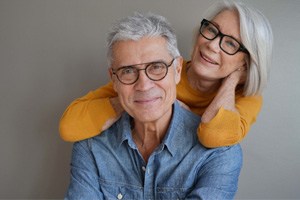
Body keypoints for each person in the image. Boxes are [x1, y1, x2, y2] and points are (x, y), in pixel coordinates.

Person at [65, 12, 242, 199]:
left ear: (177, 70)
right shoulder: (91, 147)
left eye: (157, 67)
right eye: (128, 71)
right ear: (114, 81)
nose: (143, 85)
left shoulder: (219, 154)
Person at [59, 0, 273, 148]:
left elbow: (214, 136)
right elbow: (70, 126)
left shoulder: (246, 97)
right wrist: (135, 99)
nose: (212, 45)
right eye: (211, 30)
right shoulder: (159, 71)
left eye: (230, 43)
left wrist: (233, 79)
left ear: (246, 62)